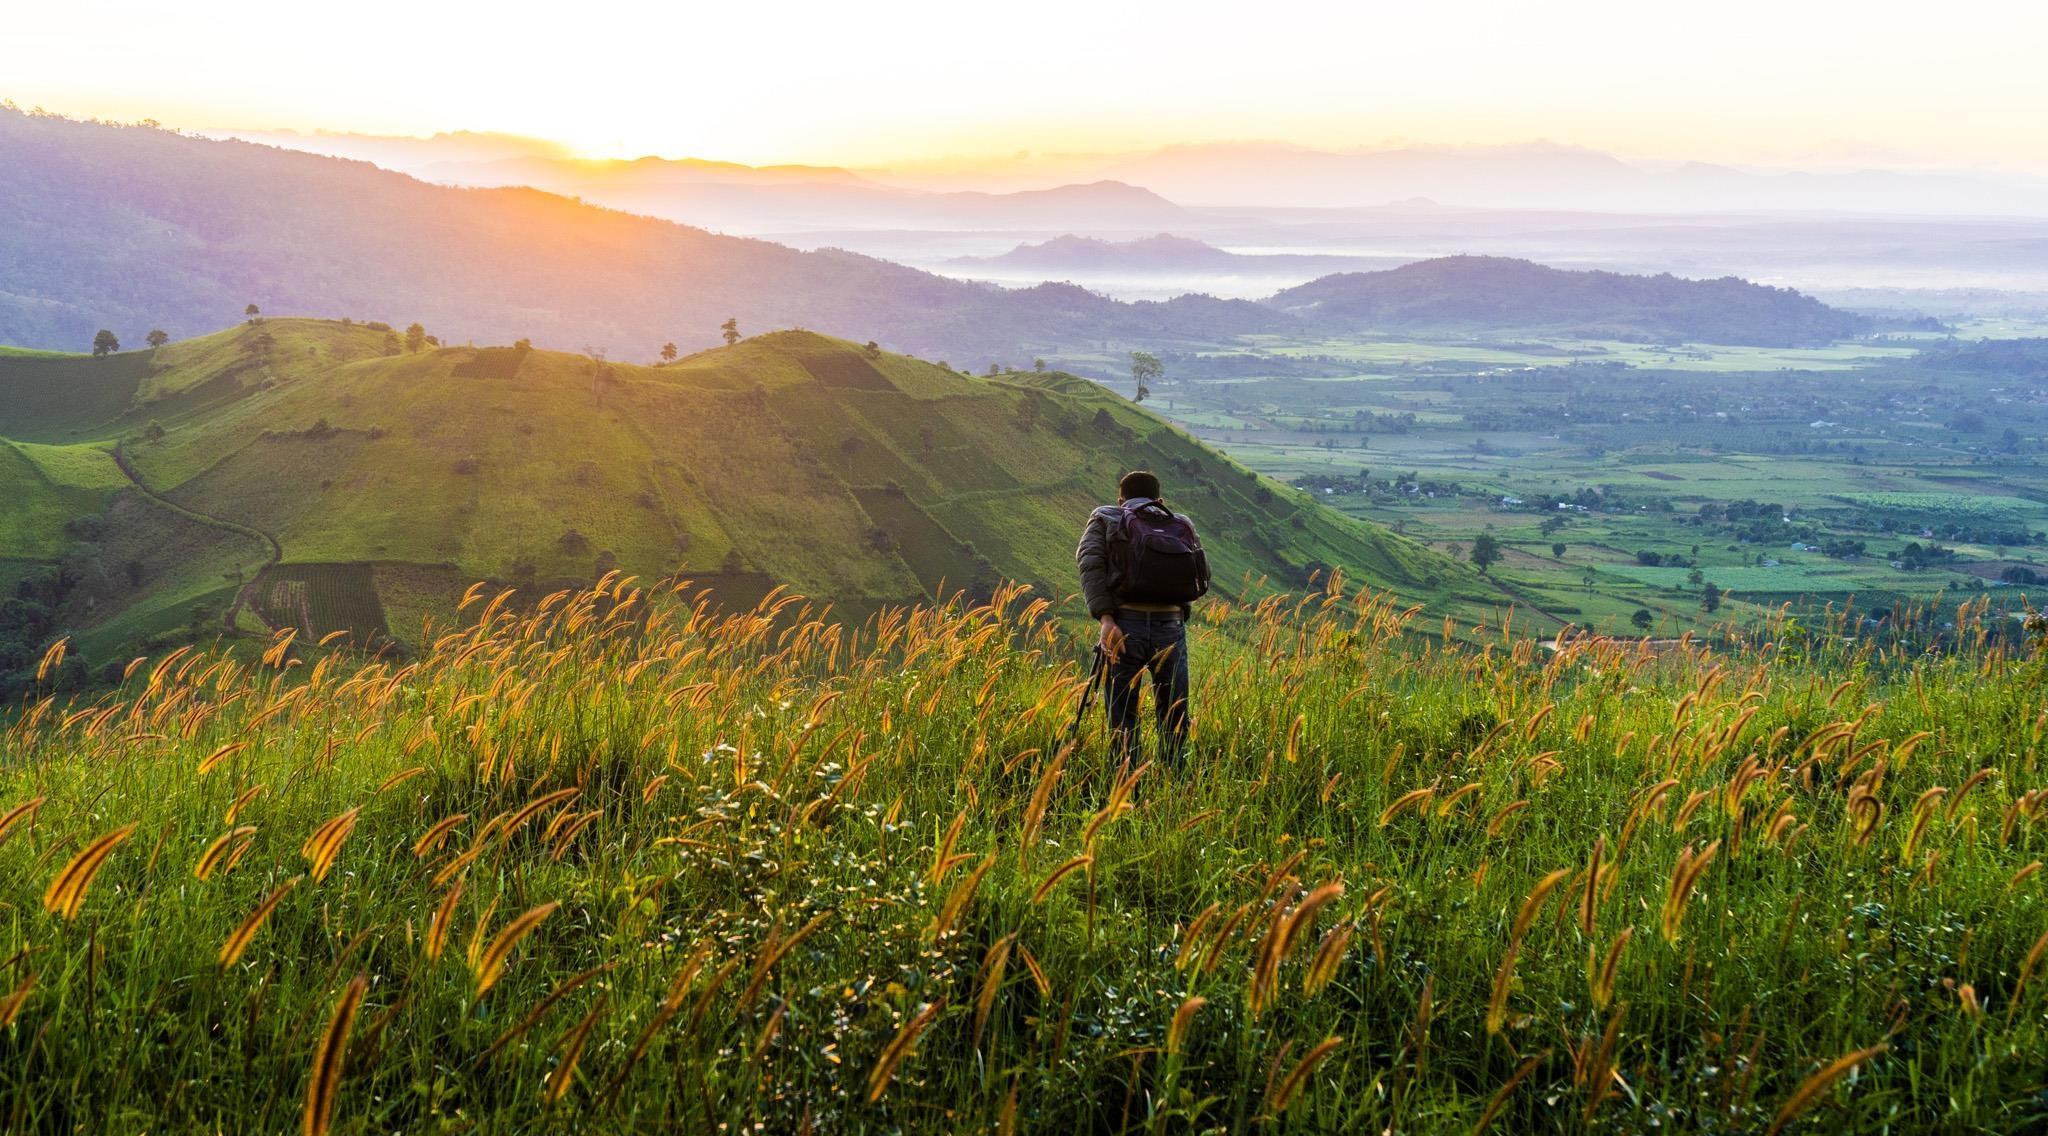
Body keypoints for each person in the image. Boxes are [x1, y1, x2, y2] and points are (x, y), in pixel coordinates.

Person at [1075, 470, 1210, 769]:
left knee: (1122, 716)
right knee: (1174, 715)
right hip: (1171, 629)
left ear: (1120, 499)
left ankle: (1124, 789)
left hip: (1124, 628)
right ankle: (1174, 788)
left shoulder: (1107, 517)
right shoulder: (1181, 524)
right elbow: (1199, 572)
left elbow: (1090, 564)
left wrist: (1106, 619)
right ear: (1159, 500)